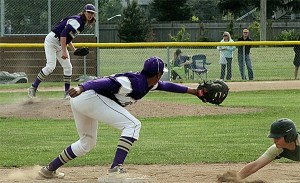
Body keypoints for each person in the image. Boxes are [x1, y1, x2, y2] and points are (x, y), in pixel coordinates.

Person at [38, 56, 207, 179]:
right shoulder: (133, 82)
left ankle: (49, 169)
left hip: (82, 101)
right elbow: (103, 82)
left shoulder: (148, 82)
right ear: (156, 74)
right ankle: (115, 168)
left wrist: (193, 91)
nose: (161, 77)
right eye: (161, 73)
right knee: (133, 125)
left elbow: (166, 86)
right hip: (89, 96)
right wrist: (82, 87)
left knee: (87, 143)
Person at [28, 4, 96, 98]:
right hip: (52, 40)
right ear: (84, 12)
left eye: (92, 13)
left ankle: (67, 92)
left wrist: (74, 49)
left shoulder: (81, 23)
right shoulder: (78, 21)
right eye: (88, 12)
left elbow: (68, 37)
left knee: (68, 67)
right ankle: (33, 87)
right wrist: (64, 51)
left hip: (60, 42)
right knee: (50, 67)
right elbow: (63, 34)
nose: (90, 15)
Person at [218, 118, 300, 181]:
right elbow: (255, 165)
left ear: (289, 136)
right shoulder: (277, 149)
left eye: (278, 137)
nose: (274, 140)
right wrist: (236, 178)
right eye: (274, 137)